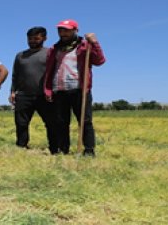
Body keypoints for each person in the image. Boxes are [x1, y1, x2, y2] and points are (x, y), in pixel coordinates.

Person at [44, 19, 106, 156]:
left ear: (75, 30)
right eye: (60, 30)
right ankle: (63, 150)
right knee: (61, 122)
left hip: (79, 89)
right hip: (59, 89)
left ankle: (89, 150)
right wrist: (48, 88)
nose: (63, 33)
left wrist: (95, 42)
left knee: (84, 121)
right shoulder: (54, 49)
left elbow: (99, 61)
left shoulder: (85, 46)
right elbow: (49, 70)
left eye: (66, 30)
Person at [10, 26, 57, 152]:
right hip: (23, 95)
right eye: (30, 38)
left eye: (36, 38)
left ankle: (54, 148)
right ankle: (21, 146)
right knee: (21, 123)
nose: (32, 41)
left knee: (51, 123)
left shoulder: (50, 53)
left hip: (44, 95)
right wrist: (13, 92)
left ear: (44, 38)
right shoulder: (20, 56)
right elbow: (15, 75)